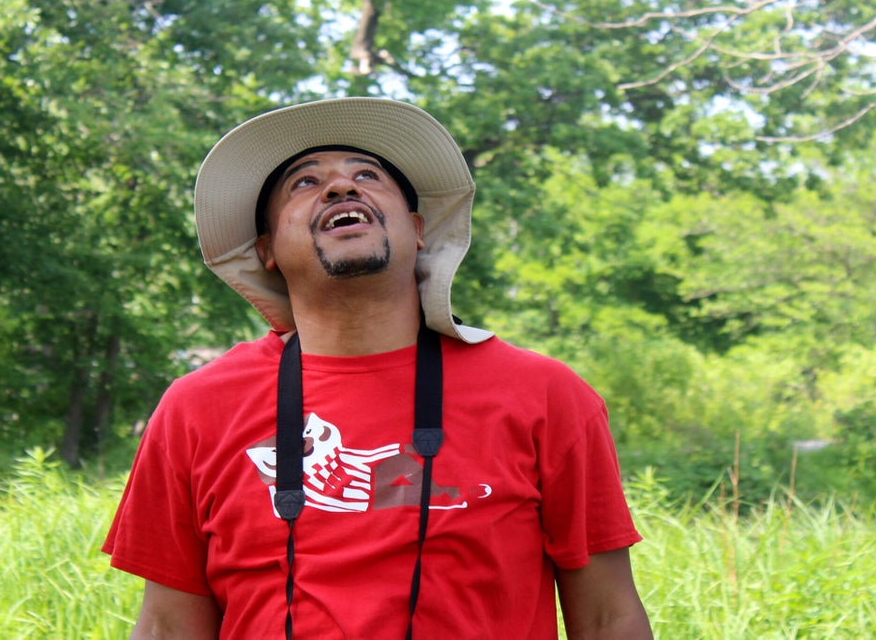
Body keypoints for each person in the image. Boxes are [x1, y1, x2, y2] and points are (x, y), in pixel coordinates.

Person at [103, 98, 652, 639]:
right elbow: (168, 627)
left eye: (367, 175)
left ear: (416, 230)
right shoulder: (197, 407)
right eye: (303, 183)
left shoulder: (546, 395)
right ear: (266, 248)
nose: (341, 188)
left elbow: (608, 618)